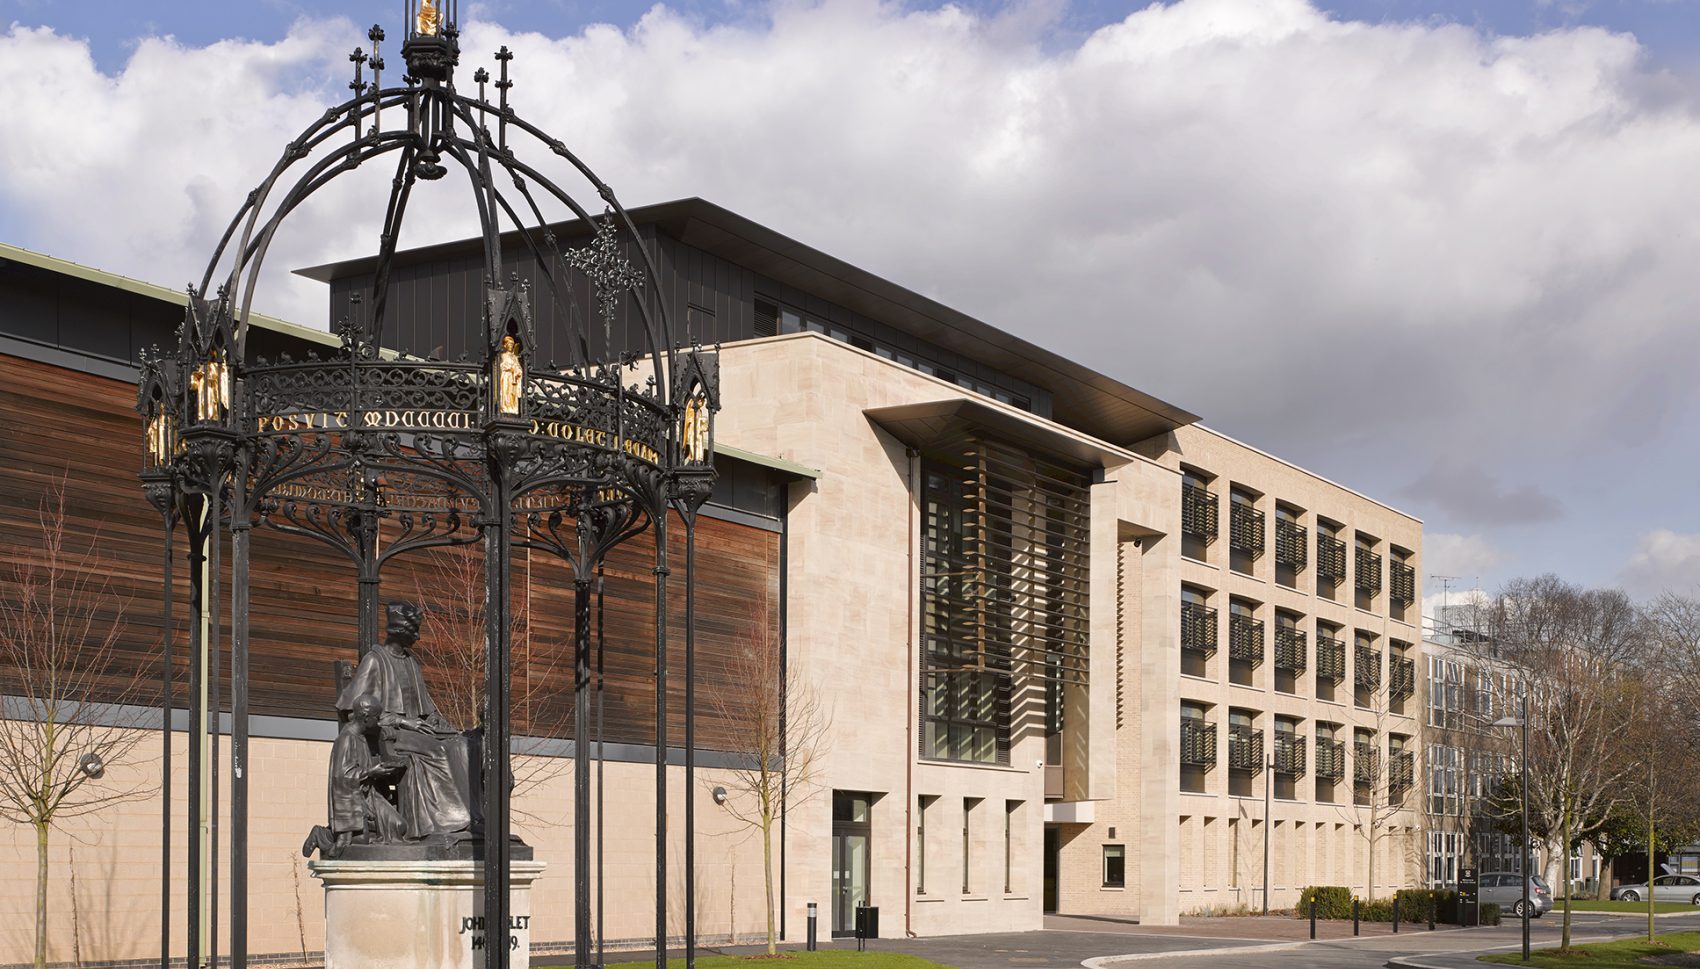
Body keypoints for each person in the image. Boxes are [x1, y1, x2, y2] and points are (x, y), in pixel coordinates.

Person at [336, 601, 474, 841]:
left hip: (416, 732)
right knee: (438, 750)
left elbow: (423, 707)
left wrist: (437, 721)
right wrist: (403, 722)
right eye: (413, 632)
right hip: (386, 736)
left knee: (462, 745)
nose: (418, 638)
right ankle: (444, 823)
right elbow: (353, 713)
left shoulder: (411, 662)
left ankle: (474, 818)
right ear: (399, 632)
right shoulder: (374, 660)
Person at [302, 694, 407, 858]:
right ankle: (321, 834)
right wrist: (371, 771)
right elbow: (341, 775)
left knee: (398, 825)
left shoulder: (361, 738)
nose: (378, 722)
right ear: (365, 717)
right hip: (354, 797)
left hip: (369, 794)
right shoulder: (346, 739)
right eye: (376, 718)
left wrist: (382, 771)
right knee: (360, 842)